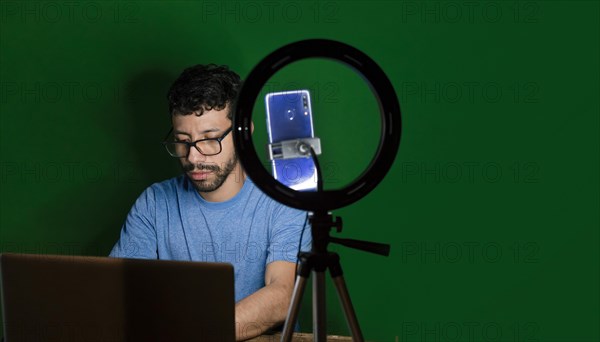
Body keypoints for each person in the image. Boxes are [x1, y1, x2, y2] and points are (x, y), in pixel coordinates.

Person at [109, 64, 311, 341]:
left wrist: (198, 332)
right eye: (182, 141)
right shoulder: (154, 204)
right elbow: (117, 295)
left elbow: (282, 297)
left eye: (209, 140)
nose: (193, 158)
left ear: (243, 131)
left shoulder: (282, 201)